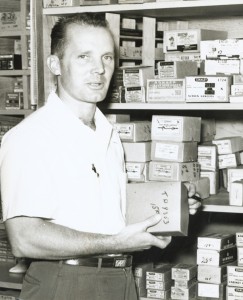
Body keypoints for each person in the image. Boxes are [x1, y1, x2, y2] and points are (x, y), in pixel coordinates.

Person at [0, 13, 201, 300]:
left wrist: (171, 204)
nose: (98, 70)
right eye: (84, 56)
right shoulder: (30, 137)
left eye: (107, 58)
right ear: (55, 64)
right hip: (67, 282)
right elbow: (24, 239)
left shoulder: (107, 132)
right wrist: (116, 241)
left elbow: (102, 211)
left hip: (120, 277)